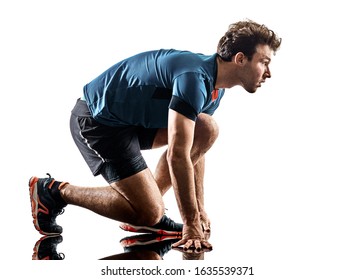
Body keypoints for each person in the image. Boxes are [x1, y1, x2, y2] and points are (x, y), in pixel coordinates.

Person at [29, 19, 281, 251]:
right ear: (240, 59)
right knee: (150, 211)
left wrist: (200, 208)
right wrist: (190, 222)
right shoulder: (194, 78)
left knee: (206, 127)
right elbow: (178, 155)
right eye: (264, 62)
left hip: (132, 122)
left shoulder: (216, 87)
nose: (268, 73)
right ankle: (53, 191)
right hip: (97, 121)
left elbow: (194, 148)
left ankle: (144, 214)